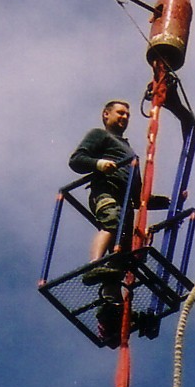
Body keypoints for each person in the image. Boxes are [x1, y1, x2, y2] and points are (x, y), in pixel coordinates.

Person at [69, 99, 138, 276]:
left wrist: (169, 202)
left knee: (122, 253)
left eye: (127, 115)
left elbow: (139, 197)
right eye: (120, 113)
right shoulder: (100, 135)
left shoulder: (129, 150)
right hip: (106, 189)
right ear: (106, 114)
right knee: (111, 222)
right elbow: (76, 160)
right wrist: (99, 164)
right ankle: (95, 264)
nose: (125, 117)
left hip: (126, 201)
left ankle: (110, 297)